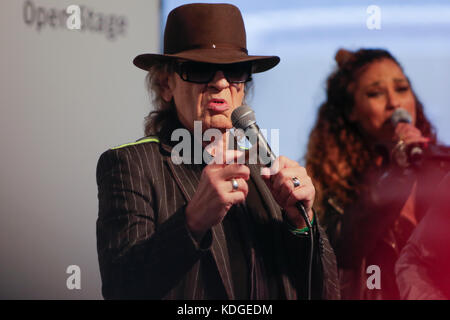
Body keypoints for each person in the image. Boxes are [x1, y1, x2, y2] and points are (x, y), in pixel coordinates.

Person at [96, 3, 339, 300]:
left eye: (235, 71)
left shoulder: (266, 167)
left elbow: (327, 292)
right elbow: (122, 288)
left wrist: (302, 224)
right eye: (200, 70)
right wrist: (192, 221)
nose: (221, 83)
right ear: (165, 84)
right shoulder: (130, 164)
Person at [305, 48, 448, 299]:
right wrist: (398, 174)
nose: (394, 103)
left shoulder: (443, 165)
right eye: (375, 94)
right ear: (352, 111)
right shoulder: (331, 186)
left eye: (402, 89)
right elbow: (342, 248)